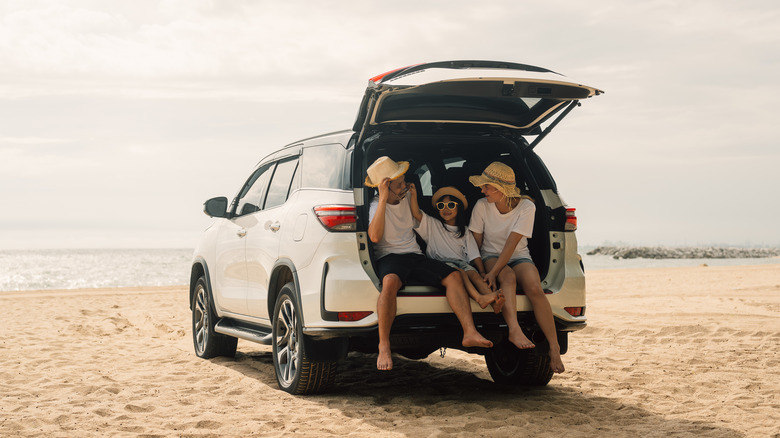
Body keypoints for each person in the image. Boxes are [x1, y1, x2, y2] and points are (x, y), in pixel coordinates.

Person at [366, 156, 493, 371]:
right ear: (385, 186)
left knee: (453, 276)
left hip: (414, 254)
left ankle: (469, 332)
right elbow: (375, 237)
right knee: (389, 283)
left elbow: (418, 219)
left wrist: (411, 196)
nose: (405, 185)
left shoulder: (407, 198)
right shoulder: (375, 206)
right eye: (400, 184)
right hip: (390, 257)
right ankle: (384, 345)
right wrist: (383, 199)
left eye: (404, 180)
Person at [468, 161, 566, 373]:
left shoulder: (527, 207)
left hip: (519, 254)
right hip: (490, 255)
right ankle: (514, 330)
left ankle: (554, 347)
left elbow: (513, 243)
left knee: (534, 288)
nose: (482, 189)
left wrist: (493, 273)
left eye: (487, 186)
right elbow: (475, 241)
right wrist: (480, 270)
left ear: (502, 190)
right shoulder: (481, 206)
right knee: (509, 277)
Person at [407, 185, 506, 313]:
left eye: (451, 205)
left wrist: (482, 272)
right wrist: (414, 195)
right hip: (442, 264)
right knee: (461, 273)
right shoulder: (432, 225)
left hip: (462, 263)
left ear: (458, 207)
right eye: (441, 206)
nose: (446, 209)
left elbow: (474, 254)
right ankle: (479, 298)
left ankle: (494, 302)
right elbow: (416, 213)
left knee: (475, 275)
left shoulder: (465, 231)